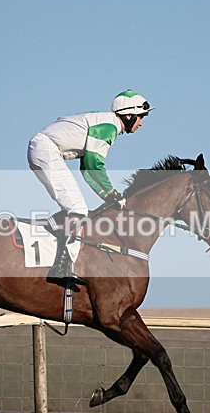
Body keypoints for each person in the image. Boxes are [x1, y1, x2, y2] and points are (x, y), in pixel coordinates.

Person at [27, 89, 154, 288]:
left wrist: (109, 195)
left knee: (75, 207)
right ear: (128, 115)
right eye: (140, 117)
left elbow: (87, 167)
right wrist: (112, 194)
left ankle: (48, 229)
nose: (142, 123)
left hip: (43, 149)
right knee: (78, 209)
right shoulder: (109, 126)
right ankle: (61, 266)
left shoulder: (107, 123)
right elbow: (93, 163)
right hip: (46, 149)